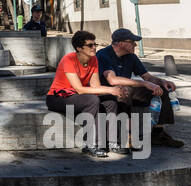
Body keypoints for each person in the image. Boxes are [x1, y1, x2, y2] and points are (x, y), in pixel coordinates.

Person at [46, 29, 131, 158]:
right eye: (90, 45)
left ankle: (112, 142)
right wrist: (110, 89)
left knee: (110, 101)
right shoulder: (69, 60)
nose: (94, 47)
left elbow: (95, 86)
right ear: (79, 48)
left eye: (95, 44)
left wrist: (115, 90)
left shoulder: (93, 59)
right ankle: (90, 144)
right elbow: (79, 89)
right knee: (92, 100)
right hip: (58, 97)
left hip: (77, 96)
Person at [96, 29, 183, 148]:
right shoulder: (103, 55)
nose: (135, 44)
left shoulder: (131, 57)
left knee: (162, 89)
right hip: (108, 92)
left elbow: (147, 77)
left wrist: (161, 81)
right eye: (132, 42)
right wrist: (144, 84)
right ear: (121, 43)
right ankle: (128, 135)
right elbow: (113, 80)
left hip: (127, 89)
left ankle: (158, 134)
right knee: (125, 91)